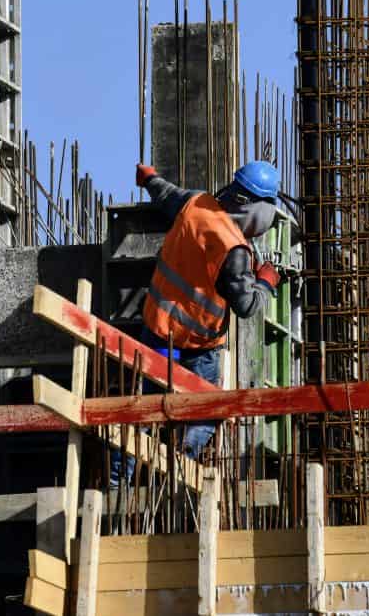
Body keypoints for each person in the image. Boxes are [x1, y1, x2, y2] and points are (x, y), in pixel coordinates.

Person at [108, 160, 283, 485]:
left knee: (145, 412)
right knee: (203, 415)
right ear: (258, 207)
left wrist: (150, 179)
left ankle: (119, 484)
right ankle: (176, 474)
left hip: (159, 334)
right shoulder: (234, 250)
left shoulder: (196, 204)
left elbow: (166, 195)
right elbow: (246, 305)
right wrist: (267, 282)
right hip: (199, 350)